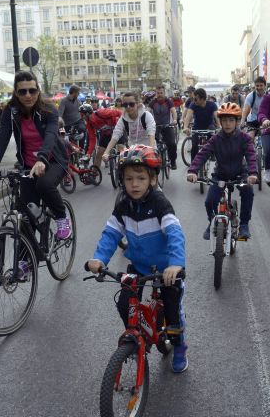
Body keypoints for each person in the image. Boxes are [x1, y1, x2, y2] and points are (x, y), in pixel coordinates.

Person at [86, 144, 188, 373]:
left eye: (140, 178)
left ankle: (180, 347)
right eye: (129, 178)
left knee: (173, 314)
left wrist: (175, 264)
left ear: (152, 180)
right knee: (124, 303)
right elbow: (111, 234)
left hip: (166, 269)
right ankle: (138, 334)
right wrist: (99, 259)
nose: (134, 184)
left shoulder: (161, 204)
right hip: (139, 265)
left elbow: (175, 234)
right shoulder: (123, 205)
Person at [0, 71, 71, 240]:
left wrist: (42, 158)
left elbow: (51, 135)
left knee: (44, 185)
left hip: (54, 160)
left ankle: (61, 217)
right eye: (22, 91)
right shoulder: (11, 111)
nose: (28, 95)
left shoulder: (49, 109)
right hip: (28, 166)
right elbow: (3, 136)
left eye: (32, 90)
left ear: (38, 90)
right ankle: (25, 263)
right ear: (16, 92)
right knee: (26, 218)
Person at [186, 103, 258, 239]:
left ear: (237, 121)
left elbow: (251, 156)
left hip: (240, 173)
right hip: (220, 175)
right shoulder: (215, 139)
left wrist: (253, 174)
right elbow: (202, 154)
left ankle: (244, 225)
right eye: (224, 120)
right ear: (220, 121)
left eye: (231, 120)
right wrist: (193, 171)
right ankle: (212, 221)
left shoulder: (245, 138)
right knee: (209, 201)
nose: (227, 124)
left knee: (248, 191)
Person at [102, 91, 156, 161]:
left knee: (151, 169)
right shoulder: (123, 119)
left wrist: (150, 150)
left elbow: (151, 133)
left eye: (131, 104)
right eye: (125, 104)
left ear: (138, 104)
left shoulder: (146, 115)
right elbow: (115, 135)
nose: (128, 107)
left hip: (148, 149)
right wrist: (106, 152)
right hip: (132, 151)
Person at [79, 103, 123, 167]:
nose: (81, 117)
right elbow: (92, 139)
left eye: (82, 115)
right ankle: (94, 173)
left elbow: (118, 112)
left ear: (87, 113)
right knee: (99, 153)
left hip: (117, 129)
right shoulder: (89, 123)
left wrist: (123, 124)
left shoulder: (101, 112)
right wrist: (88, 154)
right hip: (106, 133)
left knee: (121, 148)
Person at [183, 88, 220, 161]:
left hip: (209, 126)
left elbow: (217, 117)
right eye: (194, 99)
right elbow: (188, 116)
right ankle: (193, 165)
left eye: (196, 99)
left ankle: (212, 153)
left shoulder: (212, 105)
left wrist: (220, 127)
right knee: (194, 146)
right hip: (197, 127)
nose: (194, 101)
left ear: (202, 99)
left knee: (212, 139)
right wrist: (185, 127)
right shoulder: (193, 104)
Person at [148, 85, 178, 169]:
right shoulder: (153, 102)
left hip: (167, 126)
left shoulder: (168, 101)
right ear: (156, 93)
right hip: (155, 126)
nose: (160, 95)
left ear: (164, 93)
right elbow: (147, 112)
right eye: (158, 93)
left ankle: (172, 161)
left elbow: (173, 111)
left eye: (161, 93)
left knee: (172, 144)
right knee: (153, 144)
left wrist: (175, 120)